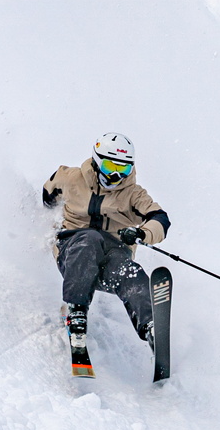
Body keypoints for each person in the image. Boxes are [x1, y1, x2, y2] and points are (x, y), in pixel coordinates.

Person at [42, 133, 170, 352]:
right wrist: (49, 225)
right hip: (73, 251)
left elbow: (160, 218)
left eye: (124, 170)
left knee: (130, 272)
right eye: (111, 166)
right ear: (97, 161)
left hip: (112, 255)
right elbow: (48, 196)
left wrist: (141, 233)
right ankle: (77, 311)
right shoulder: (70, 178)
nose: (116, 175)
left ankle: (150, 327)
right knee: (89, 238)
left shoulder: (133, 194)